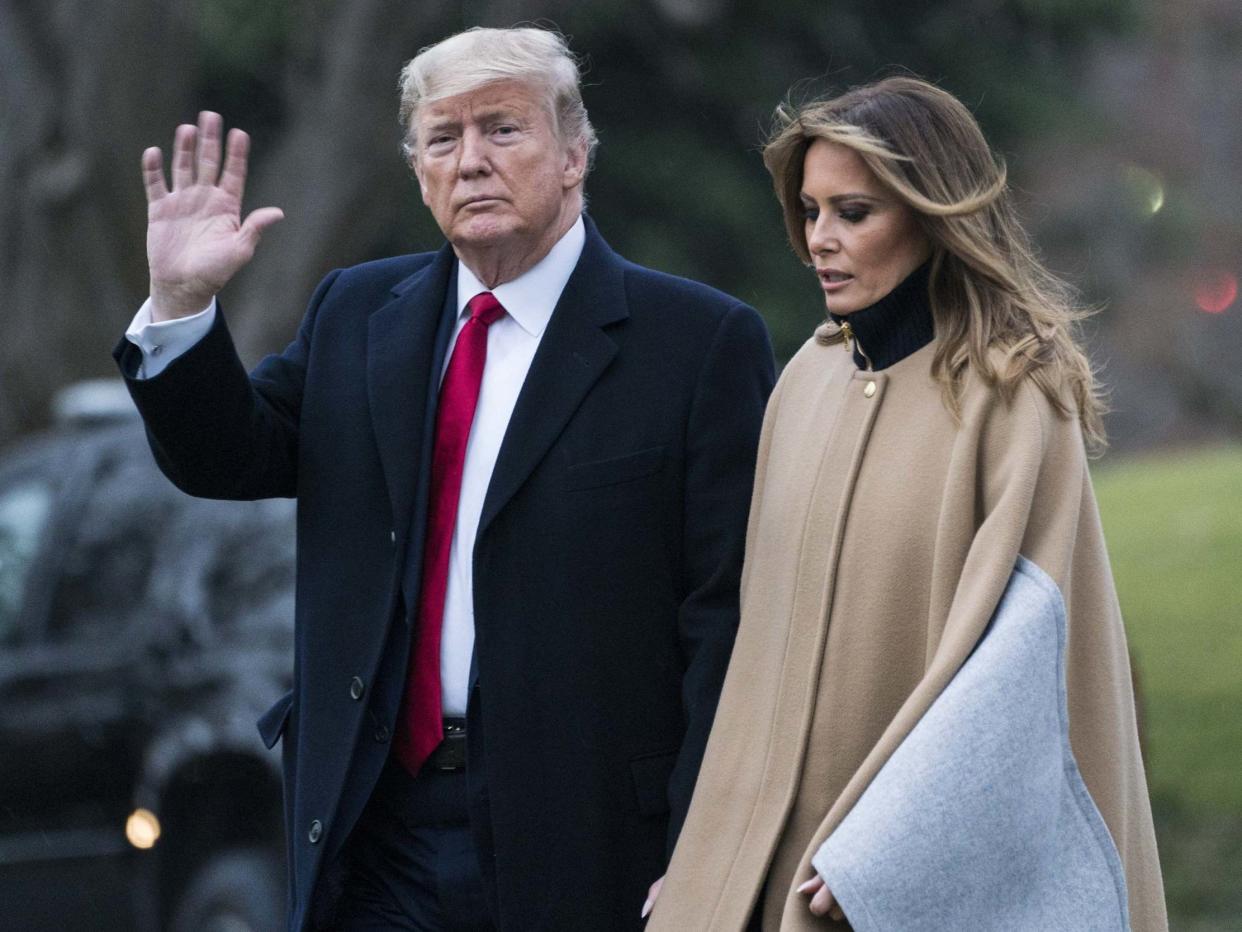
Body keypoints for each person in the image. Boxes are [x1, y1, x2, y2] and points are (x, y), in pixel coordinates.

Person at [114, 26, 774, 931]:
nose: (470, 162)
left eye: (502, 129)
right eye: (441, 138)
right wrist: (184, 307)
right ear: (418, 169)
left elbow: (727, 620)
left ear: (575, 152)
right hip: (378, 826)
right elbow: (229, 456)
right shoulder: (357, 313)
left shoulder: (698, 344)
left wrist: (710, 847)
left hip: (591, 838)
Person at [647, 77, 1167, 930]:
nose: (822, 240)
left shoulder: (1014, 395)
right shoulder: (805, 381)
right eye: (811, 212)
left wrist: (889, 855)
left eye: (854, 213)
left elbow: (1024, 666)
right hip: (754, 861)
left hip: (890, 877)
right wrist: (707, 860)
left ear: (934, 215)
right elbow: (754, 653)